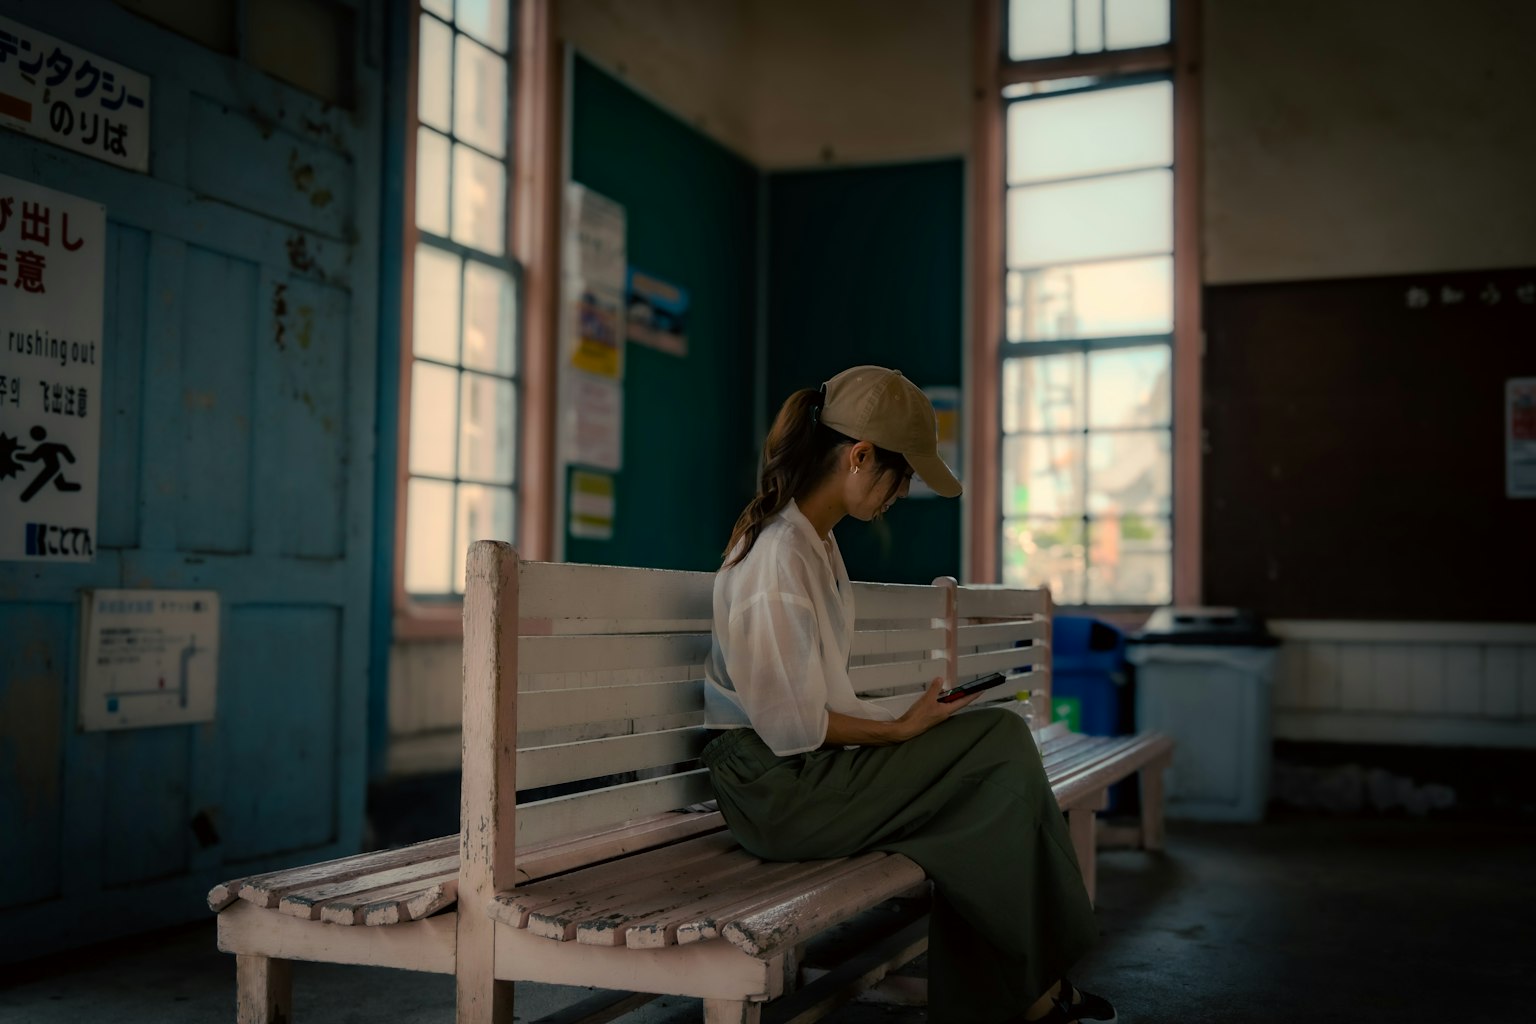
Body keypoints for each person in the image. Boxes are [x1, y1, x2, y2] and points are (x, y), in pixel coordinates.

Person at [700, 366, 1116, 1024]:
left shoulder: (814, 546)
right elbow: (789, 726)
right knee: (999, 746)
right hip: (776, 791)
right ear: (860, 456)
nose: (903, 490)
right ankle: (1028, 990)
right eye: (903, 474)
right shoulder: (778, 557)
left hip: (802, 773)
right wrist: (900, 732)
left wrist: (912, 722)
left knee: (988, 772)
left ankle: (1023, 992)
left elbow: (811, 704)